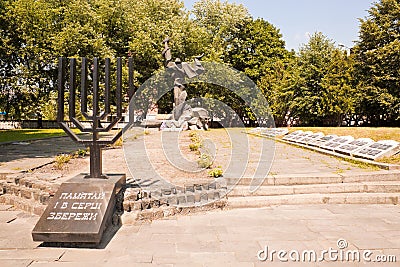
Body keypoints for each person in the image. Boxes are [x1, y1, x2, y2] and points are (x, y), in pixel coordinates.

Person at [162, 37, 204, 120]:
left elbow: (198, 71)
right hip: (176, 85)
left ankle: (180, 116)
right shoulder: (172, 65)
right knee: (176, 99)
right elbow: (167, 58)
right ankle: (177, 117)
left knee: (181, 98)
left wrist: (197, 60)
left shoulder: (184, 66)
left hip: (182, 85)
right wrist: (166, 44)